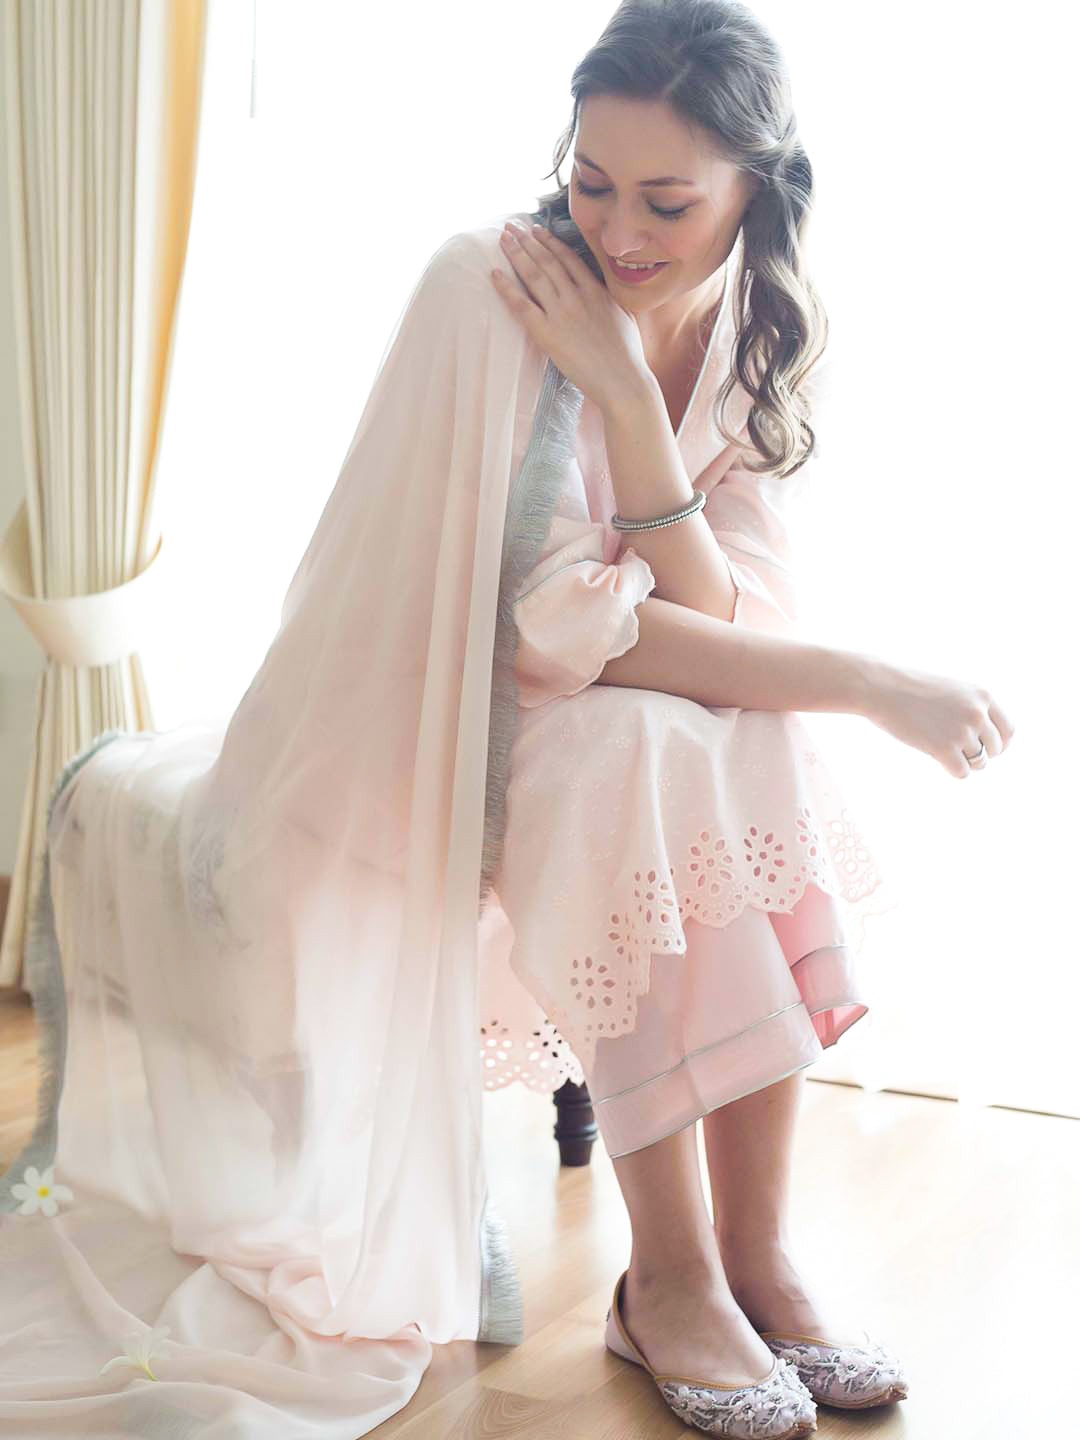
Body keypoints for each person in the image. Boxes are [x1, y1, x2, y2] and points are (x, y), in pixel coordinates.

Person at [0, 3, 1013, 1437]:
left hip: (604, 706)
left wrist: (634, 406)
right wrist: (871, 681)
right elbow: (544, 632)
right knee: (646, 750)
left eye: (667, 200)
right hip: (420, 712)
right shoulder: (491, 288)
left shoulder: (765, 332)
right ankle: (669, 1279)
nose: (619, 232)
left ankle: (757, 1258)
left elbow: (730, 625)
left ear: (758, 189)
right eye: (592, 182)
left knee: (734, 733)